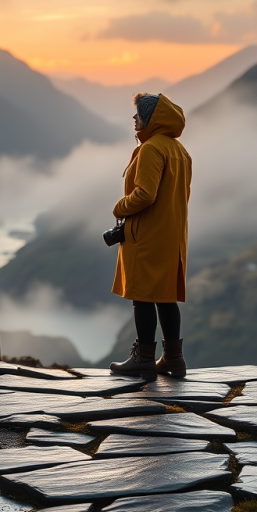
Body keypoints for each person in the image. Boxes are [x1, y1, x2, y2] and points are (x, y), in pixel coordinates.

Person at [109, 92, 192, 377]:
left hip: (147, 236)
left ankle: (144, 358)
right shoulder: (180, 151)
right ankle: (173, 358)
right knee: (165, 297)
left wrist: (119, 207)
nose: (134, 119)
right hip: (171, 235)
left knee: (142, 297)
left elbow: (145, 194)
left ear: (151, 119)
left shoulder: (151, 149)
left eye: (139, 115)